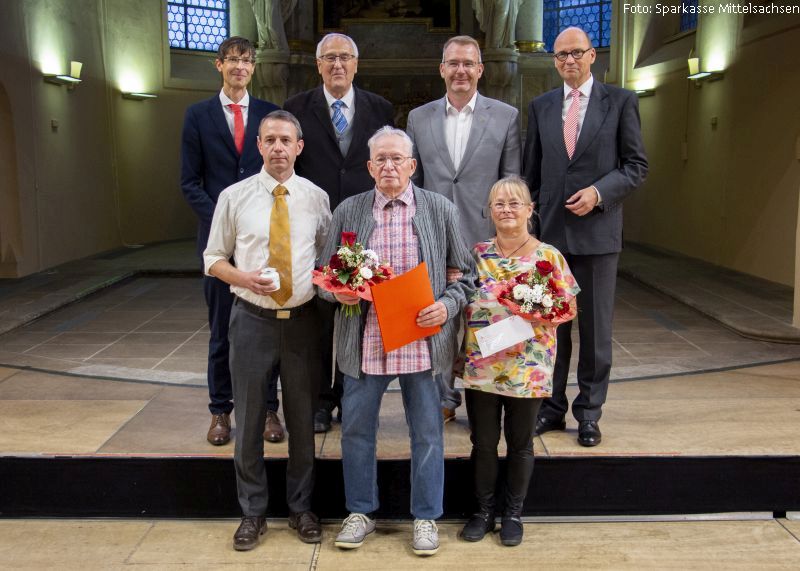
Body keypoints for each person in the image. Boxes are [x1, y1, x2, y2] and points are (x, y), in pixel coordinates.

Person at [318, 127, 475, 557]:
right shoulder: (349, 211)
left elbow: (465, 274)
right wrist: (338, 293)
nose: (389, 166)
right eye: (381, 159)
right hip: (365, 342)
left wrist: (446, 305)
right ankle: (360, 511)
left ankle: (425, 517)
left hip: (422, 343)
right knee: (356, 431)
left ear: (412, 165)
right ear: (370, 167)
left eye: (397, 159)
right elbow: (323, 274)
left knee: (427, 433)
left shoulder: (438, 209)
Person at [204, 110, 331, 549]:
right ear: (258, 146)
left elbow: (324, 257)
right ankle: (252, 512)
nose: (278, 147)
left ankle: (301, 508)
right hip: (251, 320)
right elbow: (213, 258)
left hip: (303, 322)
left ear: (299, 147)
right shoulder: (234, 196)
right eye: (270, 139)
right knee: (249, 418)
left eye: (286, 140)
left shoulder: (316, 198)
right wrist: (243, 278)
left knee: (302, 420)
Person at [522, 26, 648, 446]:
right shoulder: (541, 105)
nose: (569, 60)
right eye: (561, 55)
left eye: (576, 52)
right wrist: (527, 226)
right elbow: (531, 173)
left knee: (594, 332)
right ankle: (551, 408)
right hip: (550, 238)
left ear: (593, 55)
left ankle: (589, 413)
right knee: (550, 329)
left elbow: (635, 166)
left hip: (597, 235)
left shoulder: (621, 102)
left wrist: (599, 193)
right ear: (554, 60)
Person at [284, 33, 395, 433]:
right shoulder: (296, 108)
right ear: (318, 65)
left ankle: (349, 396)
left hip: (364, 227)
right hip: (314, 229)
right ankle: (319, 402)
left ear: (356, 64)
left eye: (345, 57)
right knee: (318, 323)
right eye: (329, 58)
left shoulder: (380, 108)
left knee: (357, 319)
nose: (337, 65)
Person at [406, 34, 520, 422]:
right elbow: (412, 183)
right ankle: (443, 400)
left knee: (485, 320)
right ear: (442, 69)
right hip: (434, 240)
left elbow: (511, 184)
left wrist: (510, 242)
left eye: (468, 63)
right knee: (439, 323)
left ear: (480, 70)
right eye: (453, 63)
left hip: (486, 241)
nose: (461, 70)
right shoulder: (418, 118)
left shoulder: (505, 116)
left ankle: (484, 396)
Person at [460, 176, 578, 546]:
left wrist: (539, 312)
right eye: (499, 203)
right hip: (482, 364)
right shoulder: (477, 254)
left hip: (528, 367)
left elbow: (569, 307)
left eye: (514, 203)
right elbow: (458, 295)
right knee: (483, 442)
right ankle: (483, 512)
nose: (506, 209)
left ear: (530, 210)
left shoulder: (548, 256)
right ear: (489, 211)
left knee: (520, 443)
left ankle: (512, 514)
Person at [181, 36, 286, 446]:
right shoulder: (198, 115)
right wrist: (226, 221)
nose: (240, 67)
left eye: (246, 60)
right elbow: (190, 182)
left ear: (254, 67)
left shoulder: (268, 115)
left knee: (270, 330)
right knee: (222, 332)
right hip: (220, 244)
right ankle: (220, 411)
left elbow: (278, 173)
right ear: (219, 65)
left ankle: (269, 409)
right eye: (232, 60)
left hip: (264, 240)